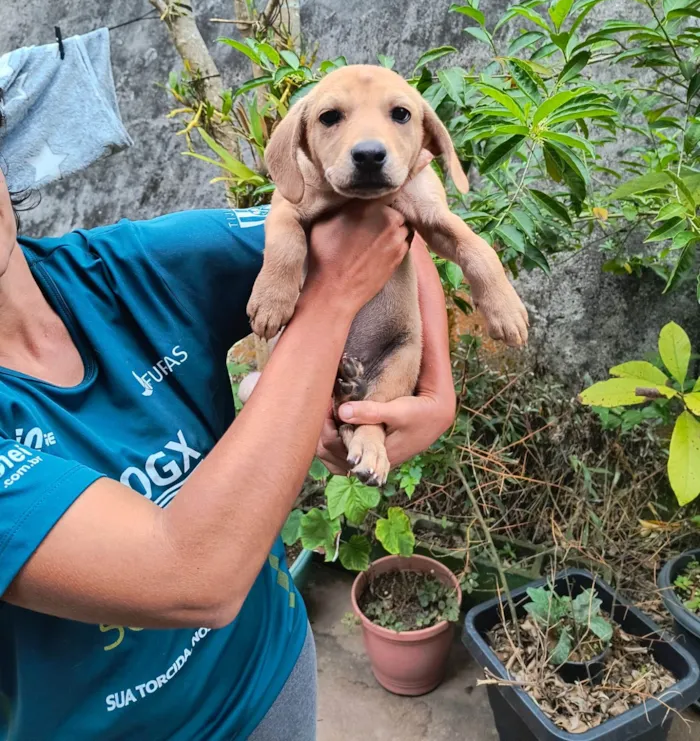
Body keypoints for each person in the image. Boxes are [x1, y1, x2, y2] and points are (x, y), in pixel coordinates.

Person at [0, 153, 456, 741]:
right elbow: (192, 577)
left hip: (271, 671)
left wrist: (434, 388)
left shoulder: (122, 270)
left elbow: (377, 218)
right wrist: (331, 299)